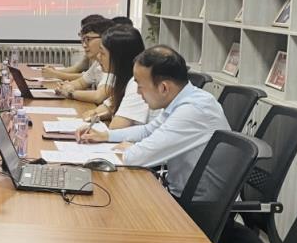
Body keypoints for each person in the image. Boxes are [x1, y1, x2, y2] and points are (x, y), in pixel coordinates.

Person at [75, 45, 230, 198]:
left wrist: (132, 148)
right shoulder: (182, 100)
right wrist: (105, 136)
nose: (137, 92)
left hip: (196, 205)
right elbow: (148, 131)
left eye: (140, 86)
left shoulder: (193, 110)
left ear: (163, 88)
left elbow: (137, 157)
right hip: (179, 191)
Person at [75, 26, 151, 130]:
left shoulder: (136, 84)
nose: (98, 57)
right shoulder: (122, 79)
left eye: (102, 53)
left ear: (119, 57)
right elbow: (104, 108)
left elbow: (116, 127)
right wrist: (98, 113)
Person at [50, 17, 114, 101]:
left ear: (104, 38)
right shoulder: (98, 62)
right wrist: (66, 86)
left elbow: (98, 97)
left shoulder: (113, 65)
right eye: (83, 39)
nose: (84, 45)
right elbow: (81, 82)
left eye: (88, 39)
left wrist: (70, 93)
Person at [42, 14, 105, 80]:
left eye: (88, 38)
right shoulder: (92, 54)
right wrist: (54, 72)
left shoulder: (104, 57)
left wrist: (55, 74)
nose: (84, 43)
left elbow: (85, 77)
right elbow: (77, 69)